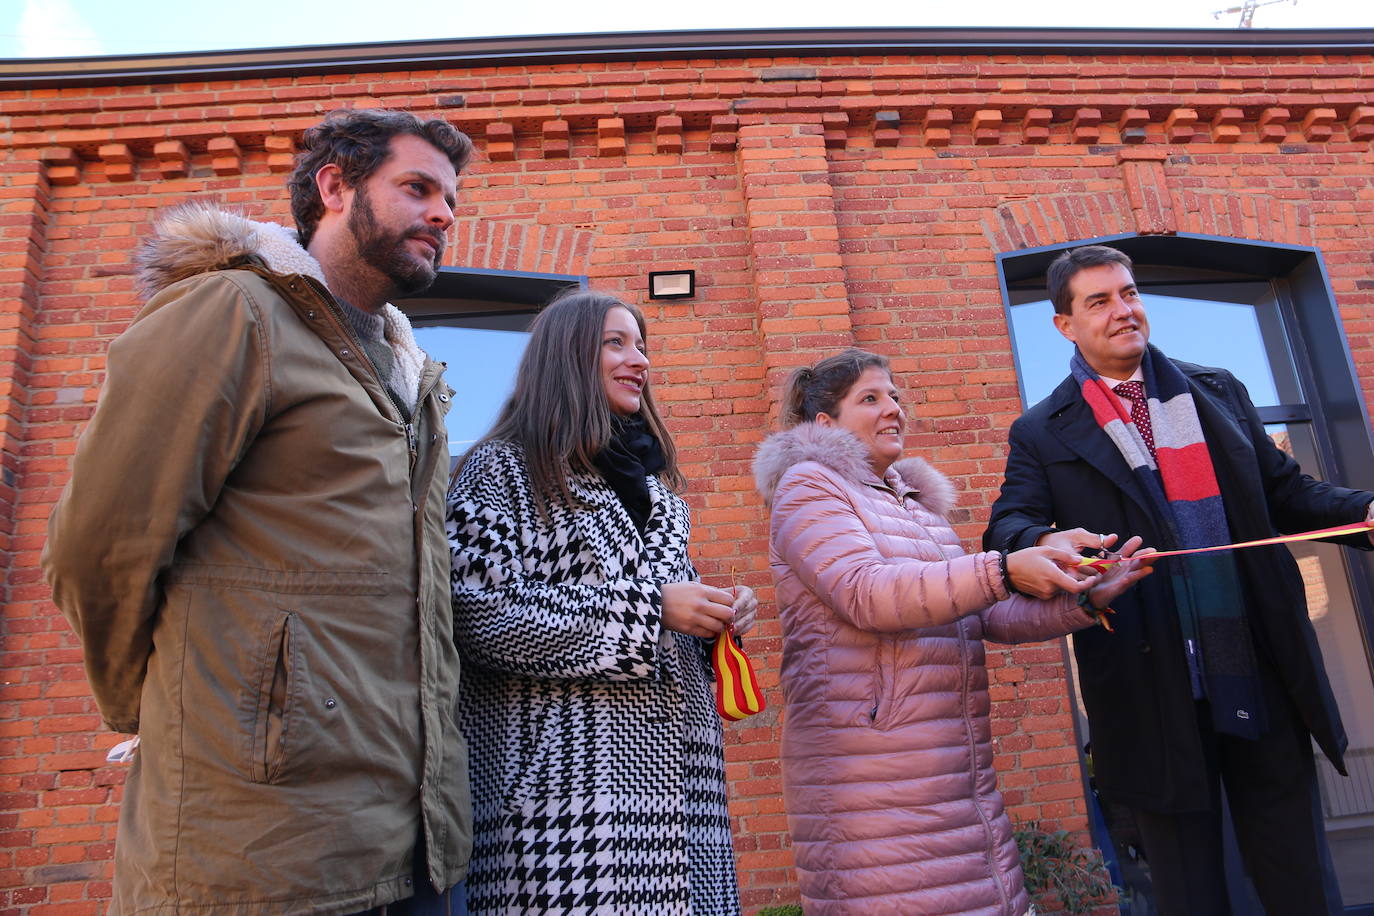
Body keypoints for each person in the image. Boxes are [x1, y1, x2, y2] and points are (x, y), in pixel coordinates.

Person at [42, 109, 474, 915]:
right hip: (258, 851)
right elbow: (99, 548)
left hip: (412, 835)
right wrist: (158, 703)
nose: (444, 214)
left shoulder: (411, 371)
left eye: (451, 198)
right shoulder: (233, 313)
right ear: (335, 187)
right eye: (417, 188)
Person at [983, 244, 1374, 915]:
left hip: (1259, 667)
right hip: (1148, 686)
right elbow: (1008, 527)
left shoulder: (1218, 389)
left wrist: (1365, 512)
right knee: (1190, 892)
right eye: (1099, 301)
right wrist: (1046, 543)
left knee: (1298, 881)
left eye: (1129, 294)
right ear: (1064, 325)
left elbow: (1289, 494)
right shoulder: (1042, 429)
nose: (1123, 310)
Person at [752, 348, 1152, 915]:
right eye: (870, 398)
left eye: (894, 395)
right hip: (872, 781)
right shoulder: (808, 488)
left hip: (955, 770)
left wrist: (1084, 596)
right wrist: (1004, 568)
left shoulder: (916, 508)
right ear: (824, 423)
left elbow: (981, 615)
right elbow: (867, 593)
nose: (892, 408)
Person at [447, 289, 757, 915]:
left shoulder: (659, 493)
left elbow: (664, 605)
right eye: (616, 343)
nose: (638, 359)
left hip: (682, 788)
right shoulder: (501, 471)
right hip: (564, 800)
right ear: (566, 358)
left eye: (641, 344)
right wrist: (652, 611)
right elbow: (476, 616)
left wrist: (714, 616)